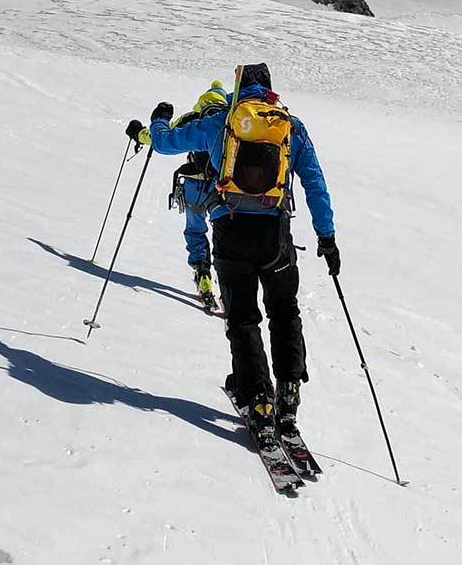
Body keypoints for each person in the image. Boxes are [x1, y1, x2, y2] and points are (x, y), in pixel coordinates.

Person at [128, 63, 340, 444]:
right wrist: (327, 236)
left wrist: (159, 120)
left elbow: (164, 143)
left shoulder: (223, 122)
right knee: (284, 311)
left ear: (239, 87)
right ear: (270, 89)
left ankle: (257, 397)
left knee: (242, 318)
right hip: (275, 233)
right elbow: (314, 182)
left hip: (230, 229)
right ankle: (289, 388)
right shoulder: (290, 127)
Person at [126, 81, 229, 306]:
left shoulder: (192, 119)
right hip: (221, 188)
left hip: (193, 185)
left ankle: (202, 272)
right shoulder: (230, 122)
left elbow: (160, 138)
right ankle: (229, 285)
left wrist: (140, 131)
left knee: (195, 230)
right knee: (224, 233)